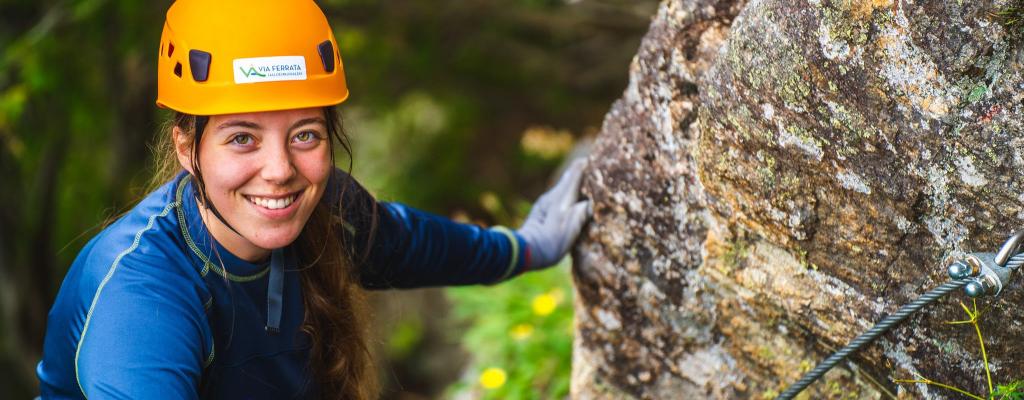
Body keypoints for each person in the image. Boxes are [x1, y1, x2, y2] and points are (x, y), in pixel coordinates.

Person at [34, 1, 591, 399]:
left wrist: (527, 248)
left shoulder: (328, 214)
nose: (279, 172)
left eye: (305, 134)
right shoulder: (142, 300)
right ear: (187, 146)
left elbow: (413, 244)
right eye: (242, 137)